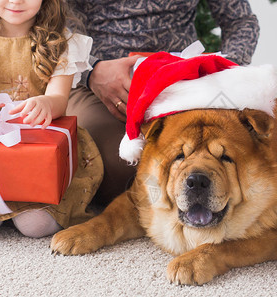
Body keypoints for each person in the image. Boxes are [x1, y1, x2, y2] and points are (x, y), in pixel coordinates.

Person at [0, 0, 103, 238]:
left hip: (39, 152)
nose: (16, 0)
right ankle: (0, 203)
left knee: (36, 226)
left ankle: (18, 205)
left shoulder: (61, 43)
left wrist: (45, 103)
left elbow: (59, 99)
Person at [65, 0, 260, 207]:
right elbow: (48, 26)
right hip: (96, 83)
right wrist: (92, 70)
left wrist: (220, 69)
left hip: (182, 84)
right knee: (121, 168)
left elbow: (241, 21)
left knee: (236, 156)